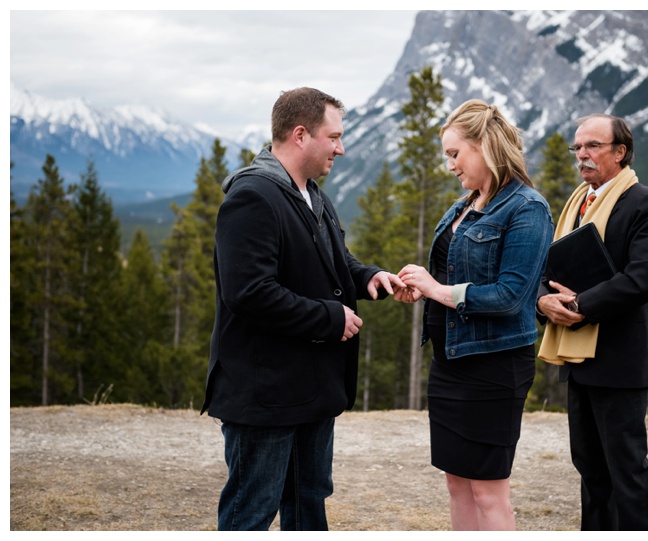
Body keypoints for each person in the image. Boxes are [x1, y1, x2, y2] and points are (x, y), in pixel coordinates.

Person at [200, 87, 405, 531]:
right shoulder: (252, 197)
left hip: (310, 390)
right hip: (264, 393)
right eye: (333, 137)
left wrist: (367, 277)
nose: (341, 147)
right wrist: (331, 319)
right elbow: (249, 292)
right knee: (251, 511)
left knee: (307, 505)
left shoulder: (311, 193)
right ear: (300, 135)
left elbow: (333, 261)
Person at [395, 99, 553, 530]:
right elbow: (453, 276)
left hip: (493, 367)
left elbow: (509, 295)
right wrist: (421, 291)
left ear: (485, 145)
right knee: (457, 483)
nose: (450, 165)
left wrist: (437, 289)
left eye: (454, 153)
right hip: (450, 363)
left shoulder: (527, 207)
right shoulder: (466, 203)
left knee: (488, 491)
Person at [536, 113, 648, 530]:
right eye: (577, 147)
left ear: (620, 151)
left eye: (592, 146)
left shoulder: (646, 202)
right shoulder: (576, 202)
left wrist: (580, 306)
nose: (582, 155)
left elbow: (642, 279)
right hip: (579, 360)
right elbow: (550, 268)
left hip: (618, 359)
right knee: (591, 471)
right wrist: (544, 302)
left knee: (626, 472)